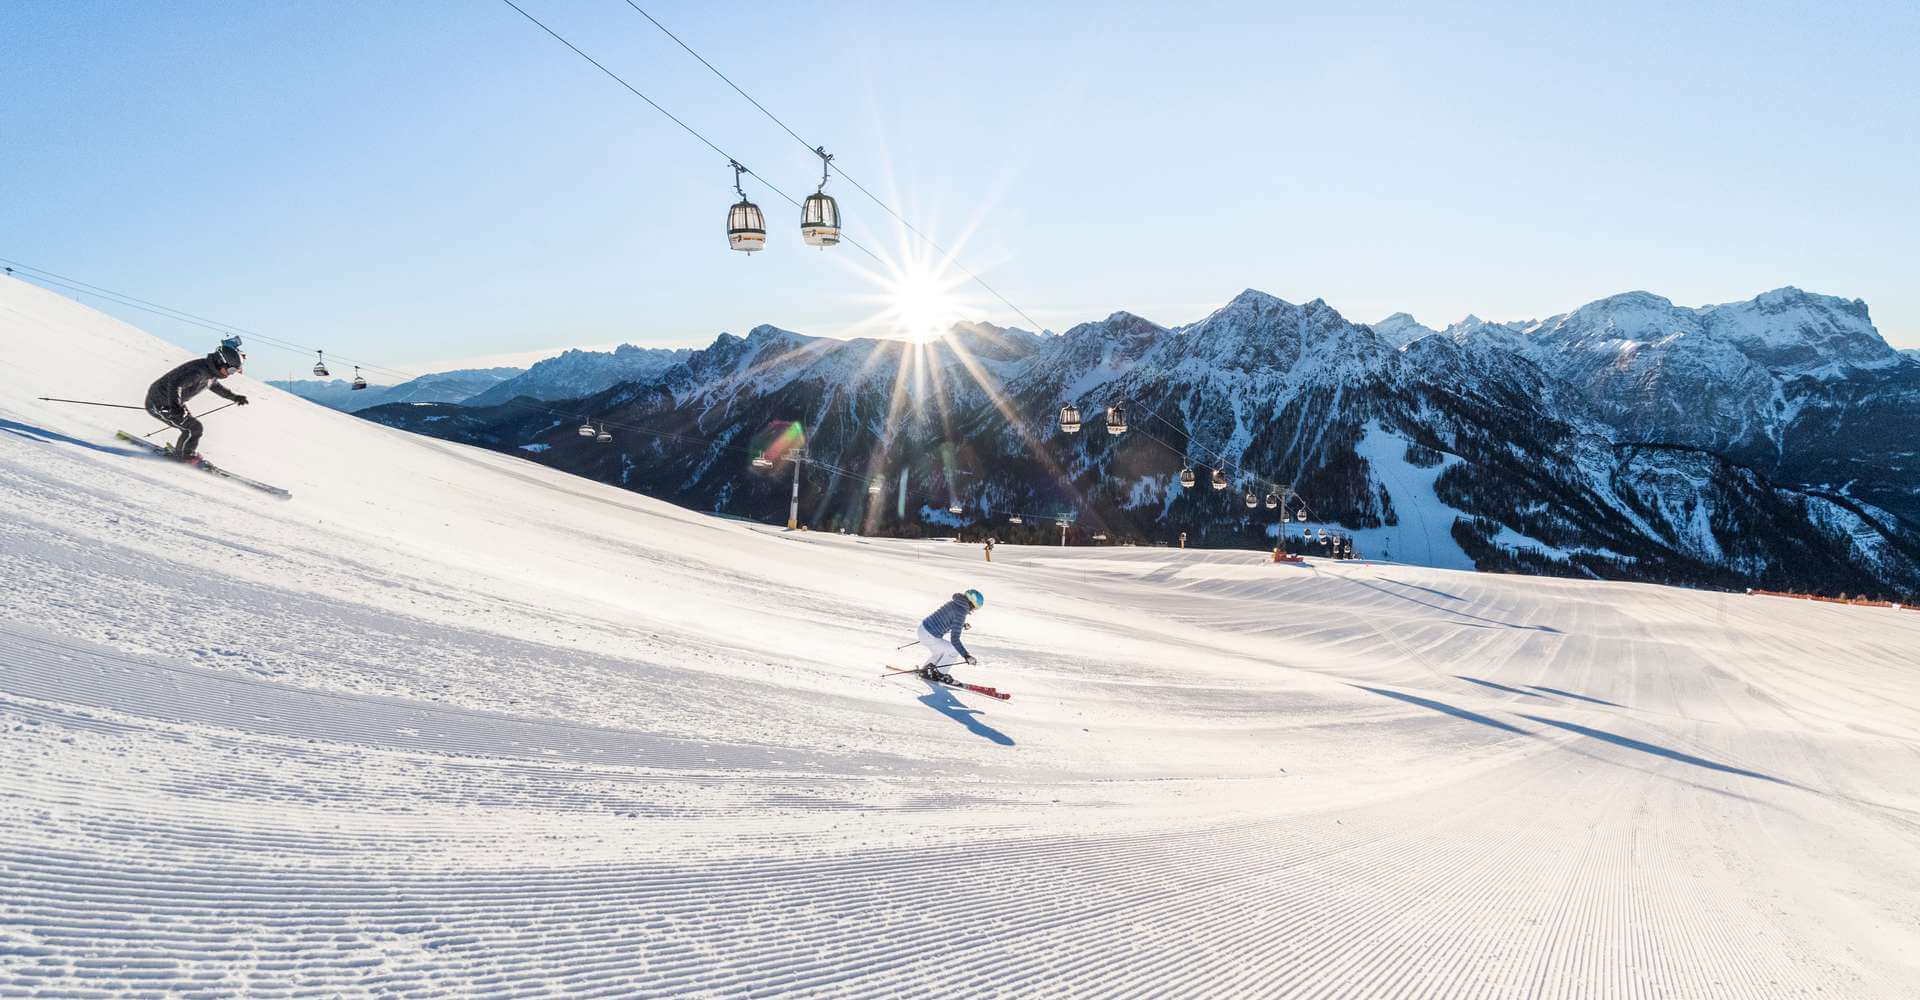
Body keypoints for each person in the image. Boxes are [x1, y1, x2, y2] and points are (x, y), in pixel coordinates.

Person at [145, 341, 249, 463]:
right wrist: (176, 406)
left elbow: (214, 386)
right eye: (231, 370)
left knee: (192, 428)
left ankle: (184, 453)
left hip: (171, 402)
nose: (231, 374)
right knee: (193, 428)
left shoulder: (209, 372)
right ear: (221, 361)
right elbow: (175, 385)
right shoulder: (199, 372)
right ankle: (185, 456)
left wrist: (235, 397)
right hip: (160, 402)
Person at [915, 589, 984, 684]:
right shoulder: (961, 612)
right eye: (975, 607)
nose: (973, 610)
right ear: (972, 603)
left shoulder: (955, 603)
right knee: (953, 650)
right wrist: (966, 656)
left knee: (940, 652)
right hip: (930, 635)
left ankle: (926, 670)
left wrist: (961, 625)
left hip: (923, 630)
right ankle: (940, 674)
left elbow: (948, 618)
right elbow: (955, 639)